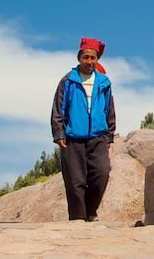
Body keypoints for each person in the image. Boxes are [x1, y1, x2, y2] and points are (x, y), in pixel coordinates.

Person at [50, 37, 116, 222]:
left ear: (97, 60)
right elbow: (58, 108)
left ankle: (91, 211)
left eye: (93, 58)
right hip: (73, 138)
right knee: (75, 181)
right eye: (86, 57)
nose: (89, 62)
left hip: (98, 137)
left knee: (102, 174)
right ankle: (78, 219)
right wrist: (59, 132)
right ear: (79, 58)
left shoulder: (104, 82)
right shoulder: (68, 81)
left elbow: (109, 109)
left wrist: (110, 134)